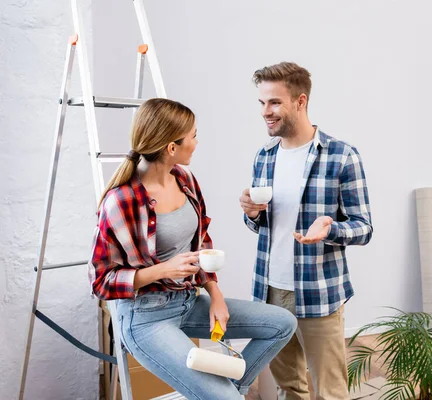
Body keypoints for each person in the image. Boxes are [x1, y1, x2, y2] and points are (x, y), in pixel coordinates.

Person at [89, 98, 297, 399]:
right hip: (145, 318)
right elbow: (100, 282)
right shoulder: (120, 201)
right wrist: (161, 270)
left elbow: (202, 244)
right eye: (194, 136)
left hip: (188, 301)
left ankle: (227, 392)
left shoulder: (185, 180)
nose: (197, 143)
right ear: (171, 148)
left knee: (282, 323)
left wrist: (216, 296)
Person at [239, 62, 373, 399]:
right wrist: (252, 214)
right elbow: (262, 226)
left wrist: (329, 229)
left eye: (274, 103)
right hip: (270, 291)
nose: (266, 112)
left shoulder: (341, 156)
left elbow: (364, 228)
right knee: (289, 388)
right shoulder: (264, 156)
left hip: (319, 291)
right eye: (262, 103)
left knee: (330, 391)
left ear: (300, 101)